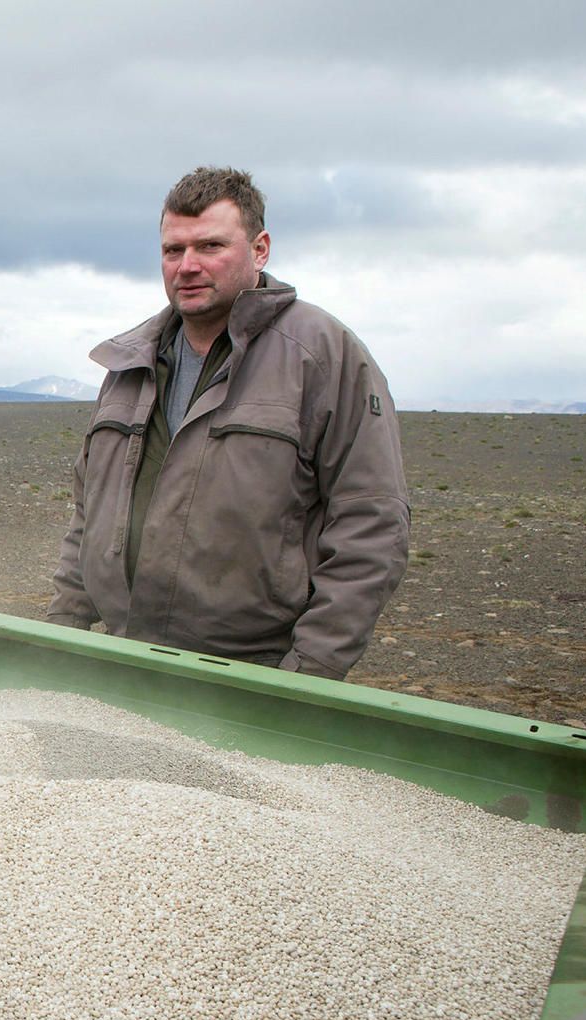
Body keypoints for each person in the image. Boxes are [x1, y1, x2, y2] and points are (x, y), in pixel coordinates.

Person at [46, 166, 409, 680]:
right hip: (124, 660)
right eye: (174, 250)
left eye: (210, 246)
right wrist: (60, 632)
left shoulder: (321, 356)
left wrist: (309, 675)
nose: (188, 266)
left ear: (259, 249)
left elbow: (371, 525)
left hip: (254, 674)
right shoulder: (130, 364)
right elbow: (91, 514)